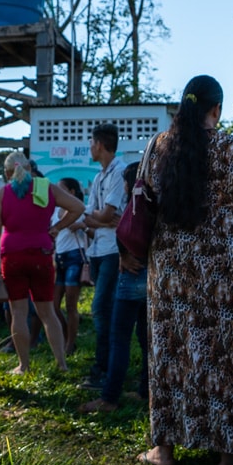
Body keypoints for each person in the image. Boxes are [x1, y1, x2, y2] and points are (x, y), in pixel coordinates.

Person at [138, 75, 233, 465]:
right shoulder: (232, 147)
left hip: (171, 266)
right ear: (217, 109)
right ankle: (230, 453)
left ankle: (165, 449)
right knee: (227, 349)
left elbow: (145, 198)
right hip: (225, 268)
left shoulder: (158, 147)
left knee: (171, 347)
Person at [0, 152, 84, 374]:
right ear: (29, 169)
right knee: (47, 311)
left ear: (7, 173)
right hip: (42, 253)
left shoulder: (3, 193)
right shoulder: (45, 187)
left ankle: (23, 365)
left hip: (13, 256)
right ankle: (61, 364)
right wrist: (57, 228)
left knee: (18, 312)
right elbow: (78, 208)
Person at [79, 161, 151, 414]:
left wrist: (123, 254)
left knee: (120, 338)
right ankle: (145, 390)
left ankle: (109, 397)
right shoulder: (156, 206)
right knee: (146, 338)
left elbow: (122, 232)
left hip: (131, 278)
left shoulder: (134, 206)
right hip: (151, 279)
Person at [80, 124, 126, 388]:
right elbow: (93, 215)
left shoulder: (119, 172)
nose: (90, 148)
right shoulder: (100, 177)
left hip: (112, 251)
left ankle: (105, 370)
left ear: (98, 144)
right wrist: (102, 219)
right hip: (97, 249)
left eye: (91, 143)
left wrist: (101, 218)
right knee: (103, 311)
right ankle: (105, 366)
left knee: (101, 309)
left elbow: (105, 214)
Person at [52, 177, 88, 354]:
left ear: (72, 192)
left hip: (75, 256)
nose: (57, 192)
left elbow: (91, 231)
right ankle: (68, 335)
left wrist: (81, 225)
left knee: (71, 305)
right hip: (59, 258)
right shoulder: (55, 210)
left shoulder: (80, 208)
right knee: (53, 305)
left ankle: (70, 343)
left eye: (61, 188)